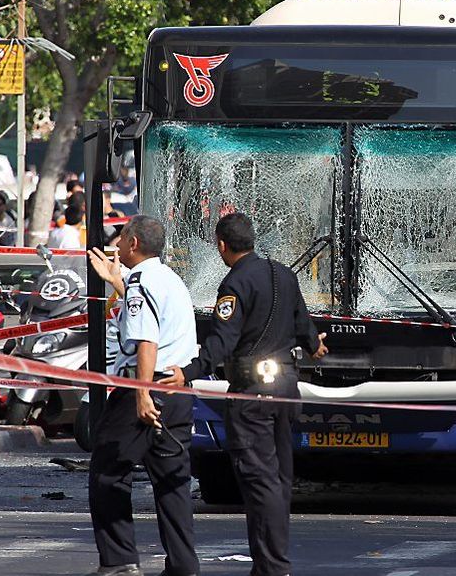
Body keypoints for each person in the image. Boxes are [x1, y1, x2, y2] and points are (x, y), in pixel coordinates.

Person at [161, 212, 328, 576]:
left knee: (259, 480)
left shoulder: (234, 284)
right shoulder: (284, 273)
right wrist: (315, 345)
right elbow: (304, 324)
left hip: (251, 395)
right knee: (280, 478)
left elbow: (222, 342)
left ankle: (272, 566)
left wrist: (187, 373)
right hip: (286, 388)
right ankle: (271, 563)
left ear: (222, 245)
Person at [85, 216, 199, 576]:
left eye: (120, 238)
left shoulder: (143, 283)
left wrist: (142, 394)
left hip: (144, 391)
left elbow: (146, 341)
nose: (115, 245)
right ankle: (183, 566)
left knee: (107, 473)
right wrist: (118, 282)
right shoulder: (167, 278)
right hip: (176, 392)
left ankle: (119, 561)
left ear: (133, 244)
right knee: (172, 483)